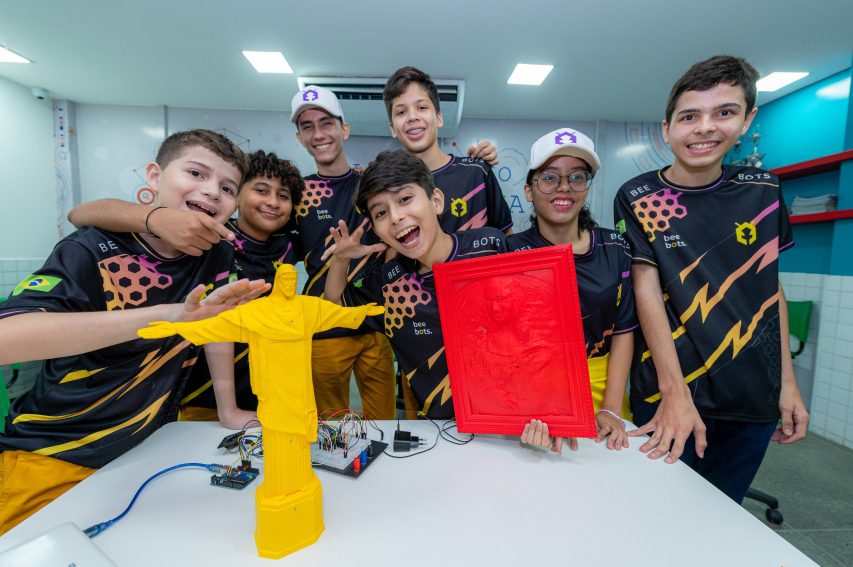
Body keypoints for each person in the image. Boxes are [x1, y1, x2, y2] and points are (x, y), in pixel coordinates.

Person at [0, 130, 269, 533]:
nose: (212, 191)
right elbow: (7, 338)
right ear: (155, 176)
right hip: (54, 452)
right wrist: (166, 316)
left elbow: (214, 328)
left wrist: (227, 410)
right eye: (196, 173)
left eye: (228, 187)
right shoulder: (91, 248)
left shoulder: (217, 254)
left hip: (144, 451)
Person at [613, 55, 809, 503]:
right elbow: (646, 288)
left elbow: (770, 289)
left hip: (751, 392)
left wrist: (788, 384)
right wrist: (673, 391)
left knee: (724, 513)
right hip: (668, 389)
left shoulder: (763, 189)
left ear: (747, 120)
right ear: (667, 129)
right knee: (658, 512)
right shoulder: (639, 196)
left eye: (724, 112)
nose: (704, 128)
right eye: (689, 116)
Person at [67, 150, 304, 428]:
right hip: (196, 390)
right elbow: (81, 214)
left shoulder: (288, 245)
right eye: (261, 191)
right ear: (238, 197)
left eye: (283, 196)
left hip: (257, 383)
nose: (272, 202)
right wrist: (155, 218)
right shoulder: (207, 234)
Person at [508, 128, 637, 451]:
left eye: (577, 177)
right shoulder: (510, 252)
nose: (564, 187)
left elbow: (624, 328)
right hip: (533, 390)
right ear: (529, 190)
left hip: (603, 387)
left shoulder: (615, 246)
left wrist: (610, 408)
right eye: (550, 178)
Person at [383, 67, 513, 234]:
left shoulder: (476, 173)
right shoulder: (387, 188)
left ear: (439, 118)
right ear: (393, 129)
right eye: (401, 112)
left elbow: (505, 235)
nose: (412, 117)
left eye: (421, 107)